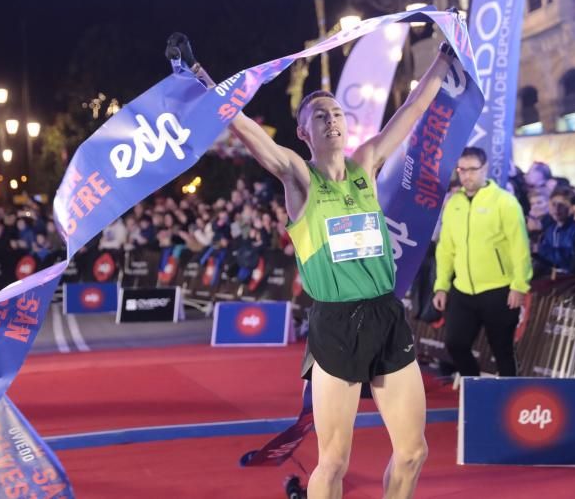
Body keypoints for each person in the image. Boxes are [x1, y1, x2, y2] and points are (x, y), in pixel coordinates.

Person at [222, 39, 455, 499]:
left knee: (413, 452)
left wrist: (445, 58)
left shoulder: (364, 165)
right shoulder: (299, 176)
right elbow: (250, 134)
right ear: (304, 132)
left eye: (337, 113)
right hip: (335, 324)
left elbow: (410, 110)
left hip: (386, 316)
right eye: (320, 116)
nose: (332, 120)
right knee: (334, 462)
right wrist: (203, 83)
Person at [432, 147, 532, 380]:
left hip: (499, 289)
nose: (466, 175)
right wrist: (441, 285)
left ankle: (510, 400)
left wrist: (519, 284)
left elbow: (520, 246)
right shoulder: (454, 204)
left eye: (472, 169)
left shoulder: (505, 202)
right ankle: (474, 388)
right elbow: (446, 248)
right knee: (455, 344)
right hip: (462, 290)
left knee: (503, 351)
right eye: (462, 170)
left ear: (484, 169)